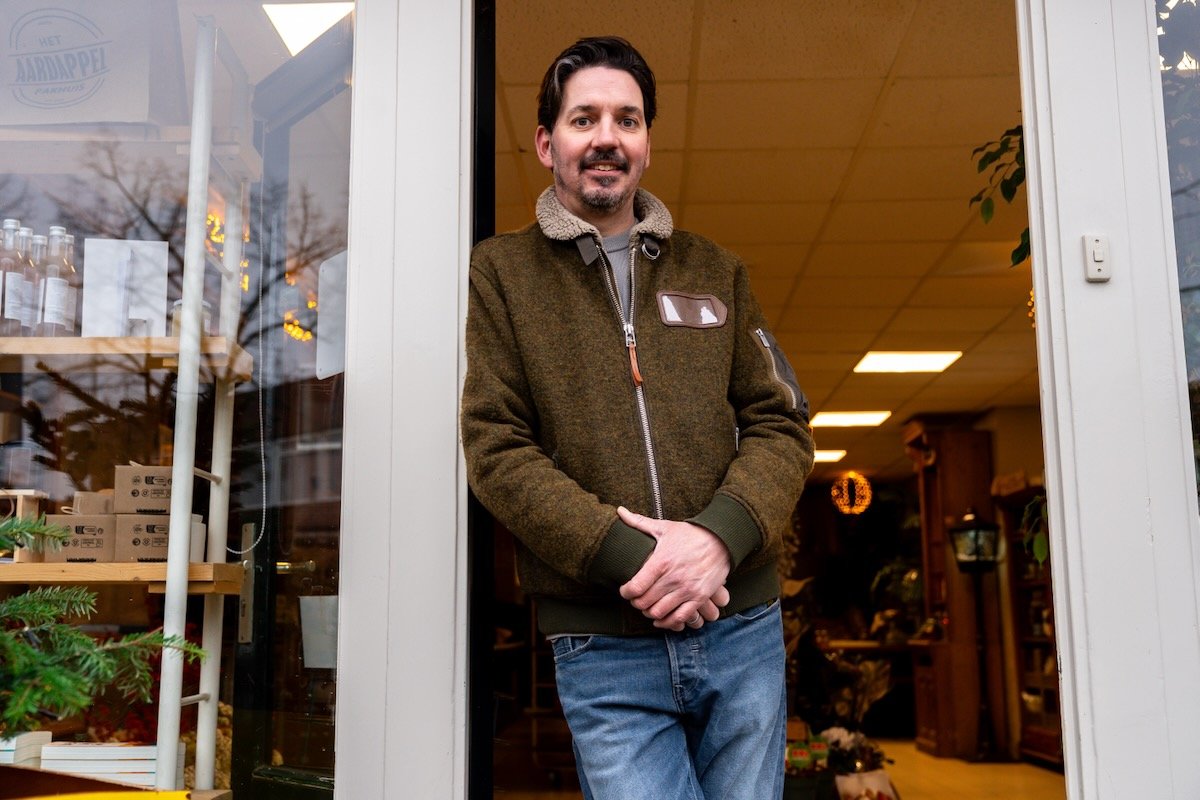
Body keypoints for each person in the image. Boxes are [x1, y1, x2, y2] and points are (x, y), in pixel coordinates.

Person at [461, 36, 815, 800]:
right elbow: (496, 449)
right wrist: (637, 559)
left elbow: (781, 423)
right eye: (583, 118)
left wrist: (717, 540)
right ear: (546, 143)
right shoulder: (501, 275)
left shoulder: (715, 270)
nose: (607, 138)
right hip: (603, 643)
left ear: (647, 143)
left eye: (627, 120)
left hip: (741, 625)